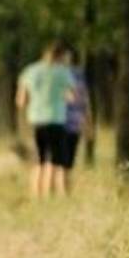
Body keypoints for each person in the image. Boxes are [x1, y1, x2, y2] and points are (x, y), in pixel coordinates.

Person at [15, 40, 75, 198]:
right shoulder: (63, 72)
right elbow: (71, 97)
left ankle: (36, 195)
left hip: (35, 120)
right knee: (54, 161)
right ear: (60, 56)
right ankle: (49, 194)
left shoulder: (30, 71)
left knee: (38, 160)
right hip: (56, 119)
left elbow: (20, 101)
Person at [62, 46, 92, 192]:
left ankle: (62, 189)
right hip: (72, 122)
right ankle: (65, 189)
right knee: (66, 161)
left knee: (61, 161)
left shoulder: (74, 74)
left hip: (66, 122)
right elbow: (84, 101)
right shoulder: (79, 75)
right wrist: (87, 122)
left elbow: (83, 100)